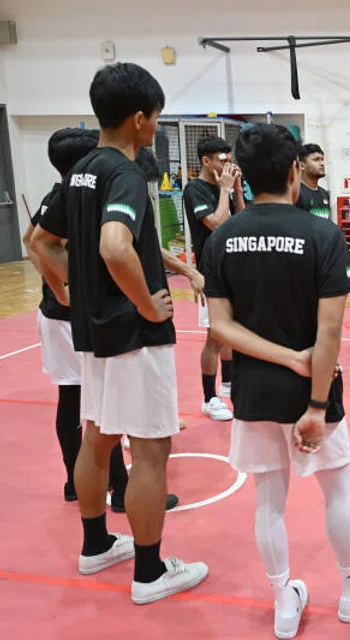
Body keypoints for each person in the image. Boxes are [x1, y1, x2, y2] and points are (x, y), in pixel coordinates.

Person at [203, 124, 350, 639]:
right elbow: (331, 331)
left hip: (253, 391)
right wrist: (315, 402)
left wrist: (284, 358)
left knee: (269, 497)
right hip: (313, 393)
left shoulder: (223, 236)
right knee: (338, 488)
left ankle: (282, 600)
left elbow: (221, 330)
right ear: (294, 170)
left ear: (243, 175)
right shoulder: (322, 234)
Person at [30, 62, 208, 604]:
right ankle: (152, 573)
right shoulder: (126, 172)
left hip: (93, 333)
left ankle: (96, 545)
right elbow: (114, 245)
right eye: (155, 117)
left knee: (98, 436)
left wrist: (70, 290)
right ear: (138, 118)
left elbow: (40, 241)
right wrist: (147, 308)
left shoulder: (79, 169)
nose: (156, 126)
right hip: (133, 335)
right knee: (152, 449)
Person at [21, 128, 178, 512]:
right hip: (95, 319)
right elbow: (109, 248)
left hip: (81, 315)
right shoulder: (100, 184)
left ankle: (95, 515)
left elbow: (36, 241)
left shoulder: (75, 187)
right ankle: (138, 538)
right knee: (123, 432)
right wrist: (140, 303)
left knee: (92, 420)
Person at [183, 136, 244, 421]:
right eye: (222, 160)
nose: (227, 165)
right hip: (210, 271)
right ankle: (209, 397)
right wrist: (224, 191)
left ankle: (230, 383)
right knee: (214, 335)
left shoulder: (227, 187)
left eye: (229, 159)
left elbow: (239, 220)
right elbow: (217, 222)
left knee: (230, 331)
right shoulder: (195, 189)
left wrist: (238, 192)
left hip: (232, 266)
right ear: (206, 161)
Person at [295, 143, 331, 218]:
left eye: (322, 159)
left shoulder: (325, 194)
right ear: (302, 166)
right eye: (316, 160)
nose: (322, 164)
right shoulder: (296, 192)